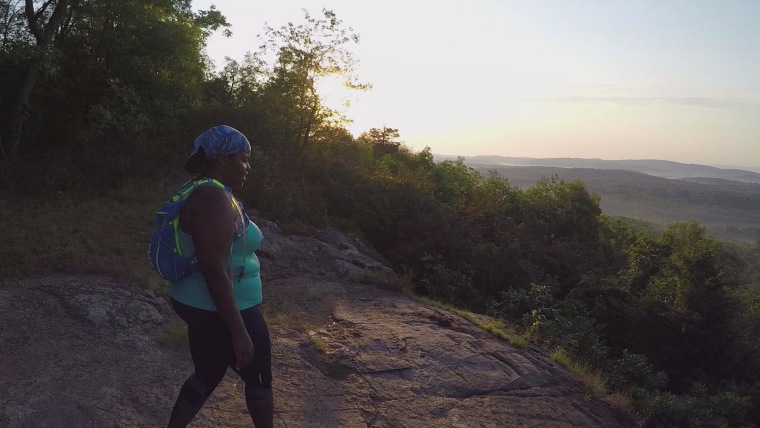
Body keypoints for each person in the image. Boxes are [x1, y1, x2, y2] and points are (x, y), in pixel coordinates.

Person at [166, 125, 273, 428]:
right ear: (224, 159)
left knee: (207, 373)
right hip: (225, 308)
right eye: (244, 159)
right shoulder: (213, 198)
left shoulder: (197, 188)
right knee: (259, 381)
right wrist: (239, 332)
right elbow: (213, 268)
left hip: (198, 303)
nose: (247, 167)